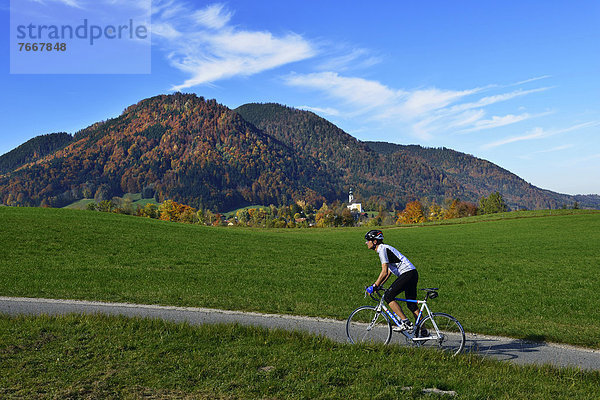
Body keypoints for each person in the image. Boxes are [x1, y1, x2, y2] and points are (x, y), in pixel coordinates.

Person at [364, 229, 419, 331]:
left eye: (368, 240)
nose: (366, 242)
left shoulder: (382, 249)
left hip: (407, 273)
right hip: (412, 273)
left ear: (375, 241)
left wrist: (374, 285)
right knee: (411, 305)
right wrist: (380, 285)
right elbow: (389, 272)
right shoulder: (386, 248)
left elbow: (384, 271)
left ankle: (405, 322)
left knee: (389, 296)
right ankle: (424, 331)